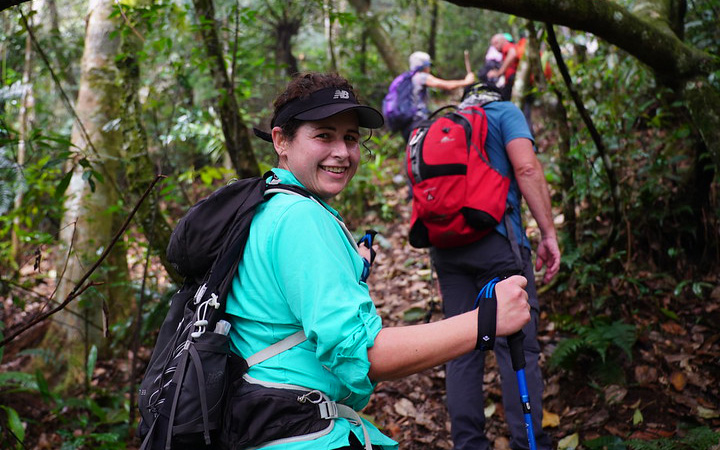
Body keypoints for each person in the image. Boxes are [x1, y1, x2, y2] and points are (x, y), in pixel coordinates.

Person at [229, 72, 532, 450]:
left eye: (351, 138)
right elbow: (363, 356)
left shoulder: (269, 204)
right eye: (324, 135)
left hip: (267, 424)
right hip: (302, 435)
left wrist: (350, 267)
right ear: (281, 140)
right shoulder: (299, 218)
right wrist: (487, 320)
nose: (342, 151)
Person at [432, 82, 561, 450]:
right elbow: (527, 168)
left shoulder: (448, 124)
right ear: (496, 96)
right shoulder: (505, 112)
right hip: (498, 243)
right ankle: (528, 442)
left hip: (447, 248)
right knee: (516, 345)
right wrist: (548, 233)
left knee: (460, 345)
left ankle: (469, 444)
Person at [402, 51, 475, 141]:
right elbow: (447, 85)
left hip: (408, 123)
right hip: (418, 121)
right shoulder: (421, 77)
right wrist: (466, 82)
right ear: (424, 66)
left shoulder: (410, 78)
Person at [487, 34, 520, 101]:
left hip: (513, 79)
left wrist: (499, 72)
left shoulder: (507, 46)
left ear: (503, 40)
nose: (495, 47)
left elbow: (512, 53)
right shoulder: (505, 51)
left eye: (496, 43)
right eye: (493, 45)